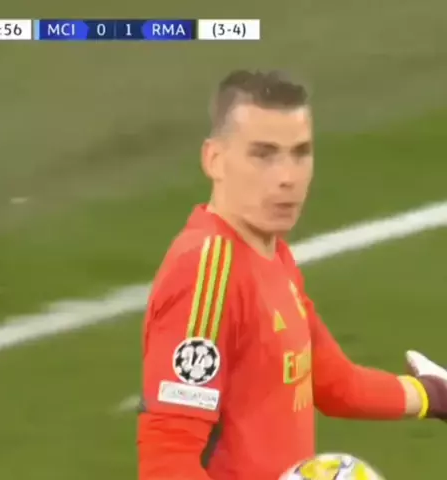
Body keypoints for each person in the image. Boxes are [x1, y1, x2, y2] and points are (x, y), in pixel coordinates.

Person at [137, 69, 447, 480]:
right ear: (214, 160)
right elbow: (167, 462)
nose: (287, 177)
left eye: (300, 153)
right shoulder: (207, 274)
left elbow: (335, 383)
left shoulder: (272, 254)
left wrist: (433, 394)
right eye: (263, 155)